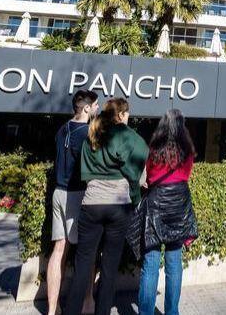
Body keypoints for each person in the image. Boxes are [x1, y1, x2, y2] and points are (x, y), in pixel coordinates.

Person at [65, 98, 148, 315]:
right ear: (120, 114)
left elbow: (84, 171)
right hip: (118, 207)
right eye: (127, 114)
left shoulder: (93, 133)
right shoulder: (127, 136)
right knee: (109, 268)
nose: (129, 117)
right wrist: (136, 191)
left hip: (91, 203)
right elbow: (138, 167)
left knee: (83, 265)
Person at [134, 109, 198, 315]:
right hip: (178, 206)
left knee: (150, 264)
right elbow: (186, 175)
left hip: (155, 206)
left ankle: (145, 312)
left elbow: (150, 178)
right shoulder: (187, 151)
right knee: (174, 263)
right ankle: (172, 312)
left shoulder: (153, 149)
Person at [47, 89, 99, 315]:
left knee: (59, 249)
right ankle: (87, 301)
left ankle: (52, 309)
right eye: (95, 105)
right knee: (86, 251)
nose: (97, 108)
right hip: (77, 194)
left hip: (58, 191)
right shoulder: (88, 132)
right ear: (87, 107)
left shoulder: (62, 129)